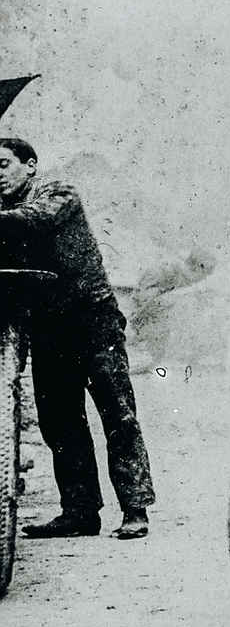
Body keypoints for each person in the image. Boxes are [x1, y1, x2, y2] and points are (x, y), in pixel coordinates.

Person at [0, 137, 155, 539]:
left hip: (92, 320)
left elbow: (34, 219)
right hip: (48, 328)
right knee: (60, 421)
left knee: (117, 415)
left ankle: (135, 509)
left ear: (30, 165)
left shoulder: (58, 191)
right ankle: (79, 512)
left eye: (3, 165)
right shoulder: (4, 211)